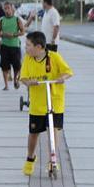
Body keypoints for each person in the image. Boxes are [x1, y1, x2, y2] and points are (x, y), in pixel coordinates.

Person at [19, 31, 73, 175]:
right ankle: (30, 158)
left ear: (39, 47)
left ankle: (52, 160)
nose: (26, 48)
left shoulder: (54, 57)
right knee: (34, 133)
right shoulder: (28, 60)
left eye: (28, 45)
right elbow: (23, 78)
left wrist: (62, 77)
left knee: (53, 130)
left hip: (55, 102)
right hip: (37, 104)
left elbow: (68, 72)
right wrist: (29, 82)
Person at [0, 2, 25, 90]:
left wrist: (13, 34)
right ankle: (6, 85)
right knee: (4, 66)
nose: (7, 10)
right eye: (5, 8)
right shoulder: (1, 20)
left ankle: (15, 79)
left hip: (15, 46)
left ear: (12, 9)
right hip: (4, 46)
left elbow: (23, 31)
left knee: (17, 66)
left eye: (8, 8)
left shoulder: (17, 19)